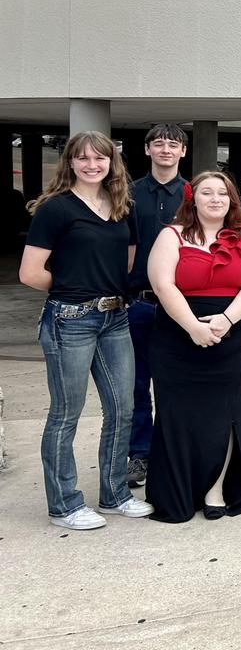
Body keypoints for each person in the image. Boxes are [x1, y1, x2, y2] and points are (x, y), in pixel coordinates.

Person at [20, 131, 154, 530]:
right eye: (83, 158)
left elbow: (126, 260)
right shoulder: (56, 208)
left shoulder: (121, 205)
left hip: (116, 318)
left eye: (100, 158)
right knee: (66, 414)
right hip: (69, 319)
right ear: (70, 162)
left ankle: (115, 494)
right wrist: (72, 288)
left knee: (122, 409)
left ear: (112, 162)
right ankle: (64, 505)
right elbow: (30, 273)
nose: (92, 165)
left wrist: (104, 290)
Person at [145, 171, 241, 522]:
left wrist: (227, 320)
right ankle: (179, 491)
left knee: (225, 414)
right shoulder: (171, 235)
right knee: (178, 414)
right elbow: (163, 285)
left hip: (232, 337)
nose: (215, 199)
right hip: (177, 339)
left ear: (232, 201)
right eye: (207, 192)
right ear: (192, 199)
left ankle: (216, 489)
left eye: (222, 193)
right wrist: (193, 328)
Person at [126, 123, 189, 489]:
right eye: (159, 144)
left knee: (177, 382)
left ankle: (172, 450)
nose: (166, 150)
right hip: (139, 303)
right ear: (147, 149)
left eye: (173, 144)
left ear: (183, 151)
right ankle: (140, 452)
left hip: (182, 305)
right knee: (136, 383)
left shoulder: (194, 194)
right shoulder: (127, 194)